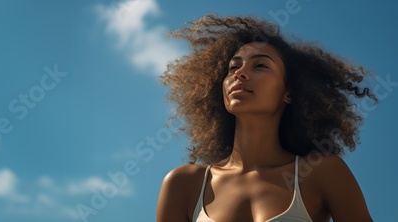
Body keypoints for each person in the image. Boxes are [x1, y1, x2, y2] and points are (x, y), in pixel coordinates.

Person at [157, 14, 375, 222]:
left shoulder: (322, 172)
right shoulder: (184, 184)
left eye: (260, 65)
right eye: (233, 66)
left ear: (288, 92)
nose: (239, 74)